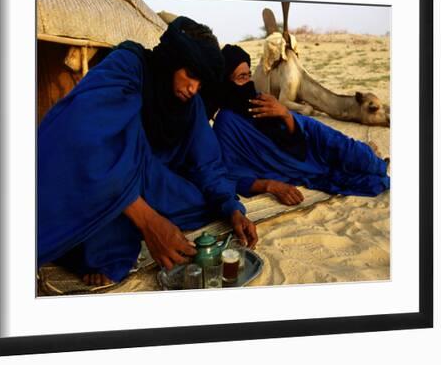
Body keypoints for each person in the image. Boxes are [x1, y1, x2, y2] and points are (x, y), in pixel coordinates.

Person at [37, 18, 257, 287]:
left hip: (150, 181)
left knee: (205, 202)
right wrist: (149, 221)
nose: (193, 88)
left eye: (201, 83)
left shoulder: (191, 104)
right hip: (103, 177)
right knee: (105, 234)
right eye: (191, 75)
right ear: (171, 60)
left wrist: (232, 208)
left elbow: (208, 163)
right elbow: (79, 139)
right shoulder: (127, 67)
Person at [213, 44, 390, 206]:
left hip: (312, 140)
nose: (249, 82)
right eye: (241, 77)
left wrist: (284, 113)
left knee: (366, 161)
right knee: (371, 181)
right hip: (298, 164)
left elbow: (295, 135)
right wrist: (270, 185)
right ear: (227, 82)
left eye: (249, 75)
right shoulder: (226, 123)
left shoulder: (259, 100)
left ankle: (370, 155)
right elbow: (228, 174)